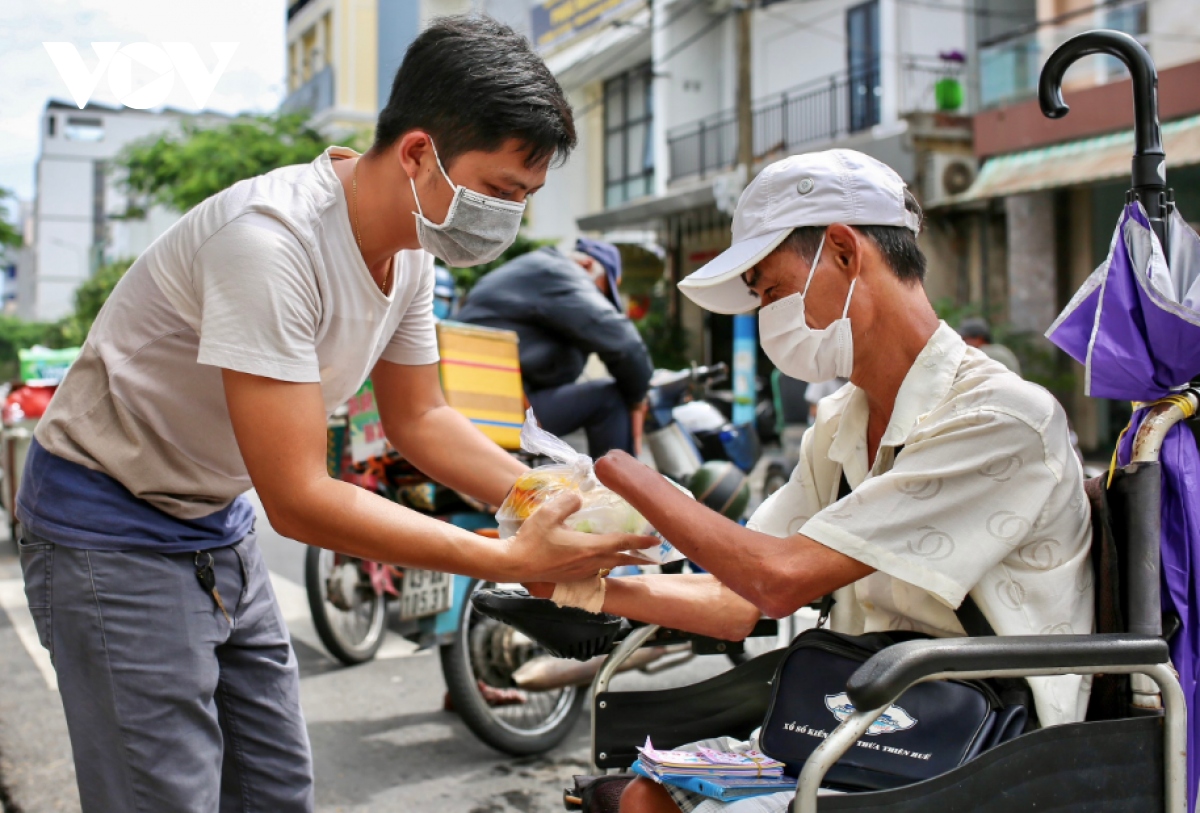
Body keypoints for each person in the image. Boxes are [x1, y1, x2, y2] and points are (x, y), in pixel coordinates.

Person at [16, 16, 652, 813]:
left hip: (215, 515)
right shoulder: (271, 244)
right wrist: (511, 559)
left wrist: (551, 501)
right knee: (164, 797)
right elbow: (300, 496)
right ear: (420, 152)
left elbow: (422, 419)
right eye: (500, 191)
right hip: (110, 523)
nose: (510, 218)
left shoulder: (413, 250)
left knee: (275, 788)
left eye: (524, 199)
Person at [523, 149, 1092, 813]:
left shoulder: (1001, 417)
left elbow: (778, 576)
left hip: (984, 748)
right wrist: (578, 588)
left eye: (770, 291)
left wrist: (614, 469)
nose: (767, 318)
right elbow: (742, 595)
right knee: (644, 797)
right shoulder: (840, 424)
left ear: (845, 253)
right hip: (869, 723)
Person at [457, 237, 653, 457]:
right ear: (587, 265)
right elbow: (625, 344)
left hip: (476, 404)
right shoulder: (560, 272)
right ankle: (619, 489)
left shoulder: (534, 271)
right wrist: (638, 400)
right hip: (499, 412)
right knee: (610, 397)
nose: (602, 301)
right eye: (603, 292)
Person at [958, 316, 1022, 375]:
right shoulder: (998, 350)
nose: (963, 342)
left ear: (979, 338)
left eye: (964, 338)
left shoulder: (987, 353)